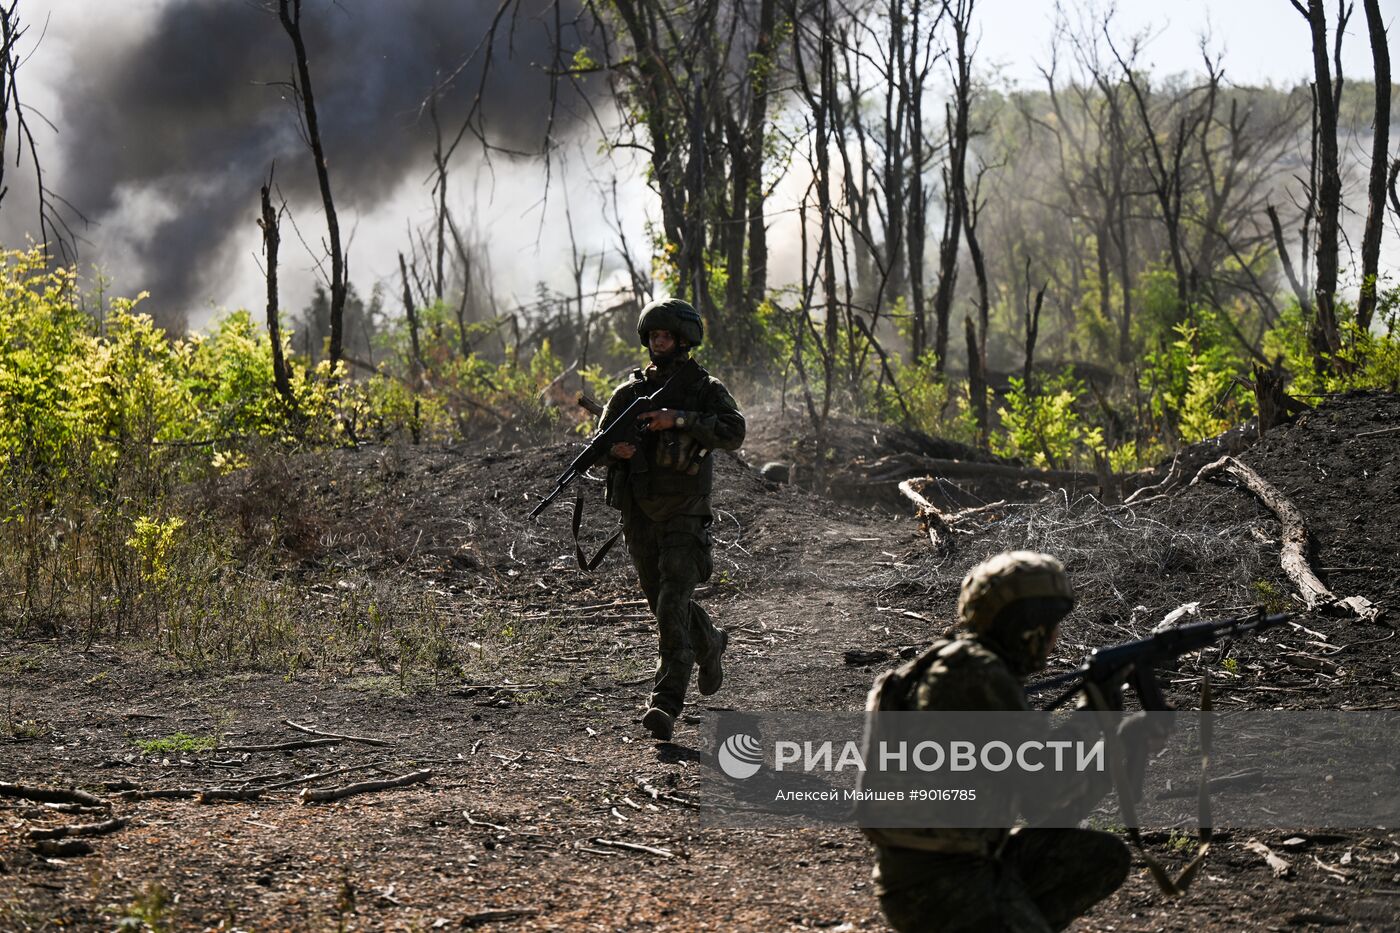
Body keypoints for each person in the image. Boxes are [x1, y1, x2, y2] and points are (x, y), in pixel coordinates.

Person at [862, 551, 1168, 933]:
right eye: (1051, 626)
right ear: (1027, 627)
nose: (1055, 639)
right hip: (938, 885)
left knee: (1098, 858)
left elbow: (1053, 810)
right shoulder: (975, 676)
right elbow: (1044, 792)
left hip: (955, 865)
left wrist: (1122, 743)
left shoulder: (960, 665)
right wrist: (1092, 717)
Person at [598, 298, 745, 742]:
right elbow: (600, 443)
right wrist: (615, 450)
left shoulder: (704, 388)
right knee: (665, 606)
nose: (658, 342)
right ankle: (710, 641)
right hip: (640, 515)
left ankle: (665, 703)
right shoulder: (628, 393)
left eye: (666, 335)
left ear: (683, 340)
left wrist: (678, 419)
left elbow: (734, 431)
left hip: (685, 513)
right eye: (653, 336)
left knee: (669, 606)